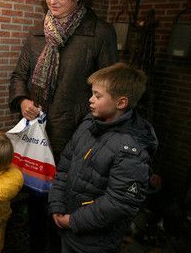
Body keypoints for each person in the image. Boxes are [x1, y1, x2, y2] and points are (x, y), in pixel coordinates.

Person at [8, 0, 118, 252]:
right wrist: (22, 101)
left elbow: (111, 90)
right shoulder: (37, 34)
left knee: (65, 207)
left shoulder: (100, 33)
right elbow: (19, 75)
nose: (52, 1)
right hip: (38, 137)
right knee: (35, 198)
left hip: (78, 139)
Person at [48, 62, 158, 253]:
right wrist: (57, 205)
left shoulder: (131, 149)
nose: (90, 100)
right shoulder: (89, 123)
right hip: (68, 226)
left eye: (98, 96)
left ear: (121, 103)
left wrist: (73, 221)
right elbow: (65, 166)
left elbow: (119, 202)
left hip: (94, 242)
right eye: (92, 93)